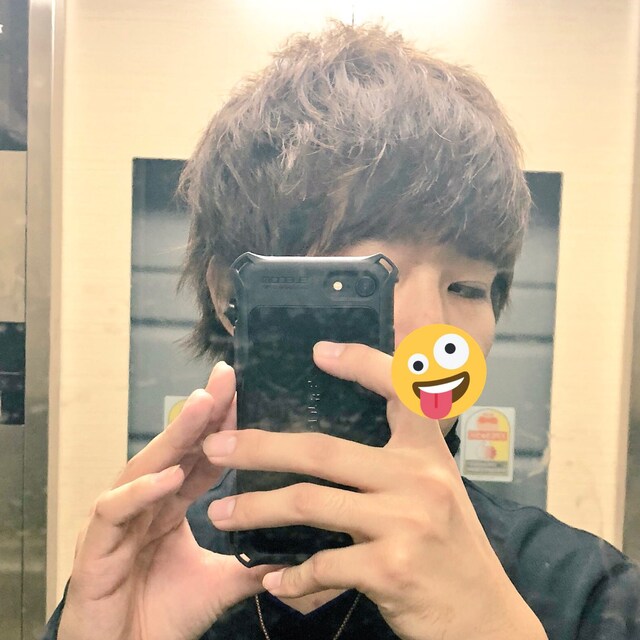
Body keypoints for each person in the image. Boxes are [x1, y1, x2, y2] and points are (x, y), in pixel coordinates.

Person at [44, 22, 640, 640]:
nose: (432, 331)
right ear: (233, 296)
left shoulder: (589, 596)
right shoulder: (147, 568)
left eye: (468, 288)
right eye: (370, 280)